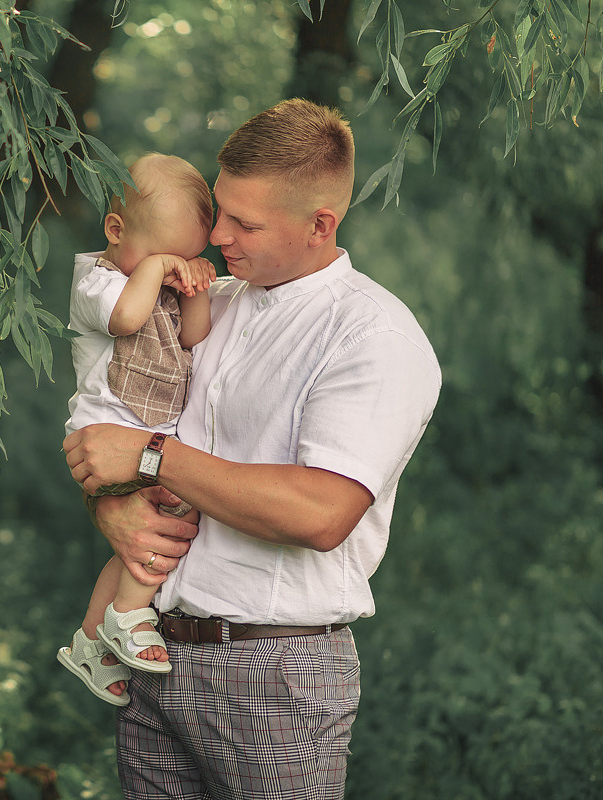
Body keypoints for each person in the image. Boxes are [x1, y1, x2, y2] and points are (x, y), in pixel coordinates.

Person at [62, 99, 442, 799]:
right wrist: (111, 510)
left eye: (245, 222)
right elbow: (109, 426)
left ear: (320, 223)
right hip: (150, 655)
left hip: (274, 673)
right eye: (218, 211)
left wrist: (151, 457)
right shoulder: (204, 303)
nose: (216, 236)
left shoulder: (372, 336)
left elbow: (320, 514)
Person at [57, 153, 216, 708]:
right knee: (169, 516)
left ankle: (91, 640)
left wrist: (193, 288)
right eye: (163, 255)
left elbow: (192, 339)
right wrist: (155, 271)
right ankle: (127, 614)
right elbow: (126, 319)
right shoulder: (98, 282)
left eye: (187, 257)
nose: (173, 268)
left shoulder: (159, 283)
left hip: (147, 437)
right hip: (108, 433)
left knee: (139, 539)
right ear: (115, 230)